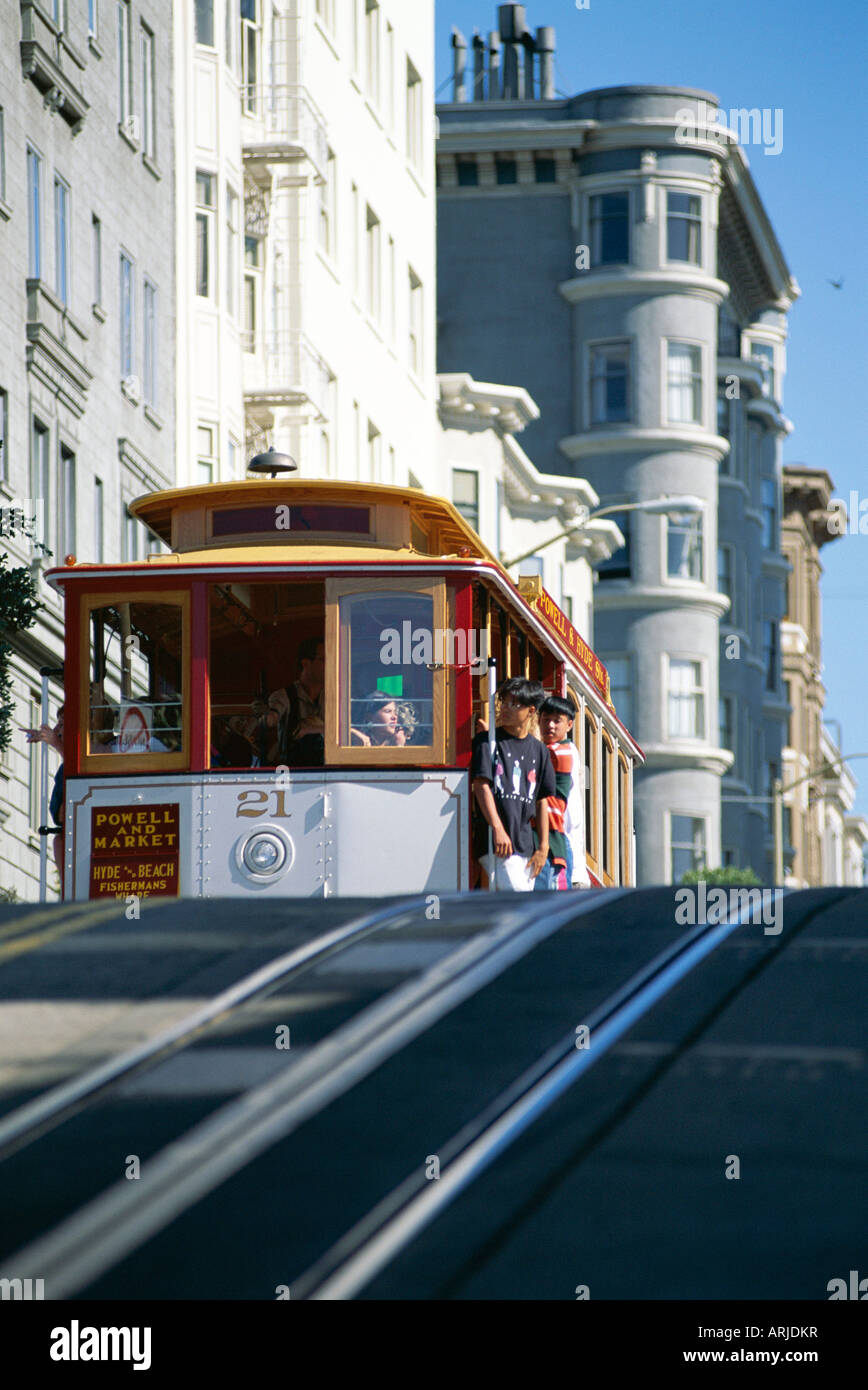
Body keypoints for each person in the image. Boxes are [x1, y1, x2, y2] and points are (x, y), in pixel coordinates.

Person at [470, 677, 555, 891]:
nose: (505, 709)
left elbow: (541, 801)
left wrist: (543, 847)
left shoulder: (540, 751)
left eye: (514, 704)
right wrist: (497, 828)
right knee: (518, 899)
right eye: (504, 702)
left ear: (531, 711)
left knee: (518, 905)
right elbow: (481, 786)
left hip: (525, 845)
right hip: (495, 842)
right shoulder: (487, 742)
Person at [536, 694, 590, 890]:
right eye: (546, 719)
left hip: (560, 844)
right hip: (569, 851)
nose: (550, 725)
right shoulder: (561, 750)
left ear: (569, 725)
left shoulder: (558, 752)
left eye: (557, 720)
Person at [22, 706, 64, 882]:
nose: (56, 730)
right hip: (64, 833)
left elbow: (80, 765)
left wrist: (55, 742)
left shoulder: (94, 748)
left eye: (61, 724)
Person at [268, 637, 325, 765]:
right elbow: (270, 718)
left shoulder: (335, 698)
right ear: (305, 663)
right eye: (323, 660)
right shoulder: (284, 696)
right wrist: (268, 717)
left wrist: (311, 729)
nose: (330, 665)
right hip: (294, 775)